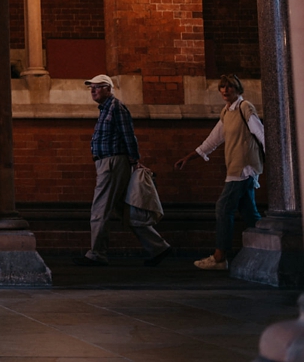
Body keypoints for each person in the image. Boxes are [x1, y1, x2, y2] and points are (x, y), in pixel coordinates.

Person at [73, 74, 172, 267]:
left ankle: (97, 254)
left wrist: (135, 160)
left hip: (112, 164)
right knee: (125, 210)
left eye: (98, 87)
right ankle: (158, 247)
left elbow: (128, 134)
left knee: (100, 209)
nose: (93, 90)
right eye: (91, 87)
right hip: (109, 164)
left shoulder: (115, 107)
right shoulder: (106, 109)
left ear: (108, 89)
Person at [174, 73, 265, 270]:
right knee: (249, 213)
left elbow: (260, 132)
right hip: (236, 167)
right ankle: (266, 249)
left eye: (230, 86)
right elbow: (213, 140)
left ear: (238, 89)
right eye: (222, 87)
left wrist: (274, 161)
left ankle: (220, 257)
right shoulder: (226, 112)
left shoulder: (244, 107)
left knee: (223, 207)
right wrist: (189, 157)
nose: (225, 90)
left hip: (244, 168)